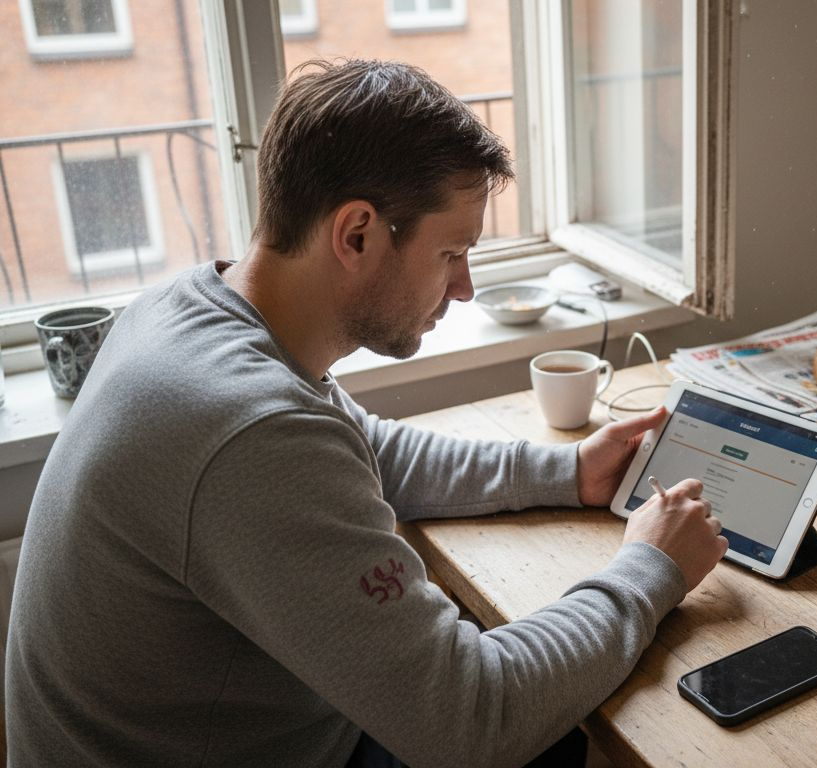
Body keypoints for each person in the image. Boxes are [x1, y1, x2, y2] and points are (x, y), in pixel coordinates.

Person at [5, 59, 728, 767]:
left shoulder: (194, 307)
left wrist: (568, 471)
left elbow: (361, 449)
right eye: (451, 253)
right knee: (563, 730)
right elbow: (473, 721)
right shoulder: (250, 431)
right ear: (356, 233)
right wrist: (650, 568)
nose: (466, 288)